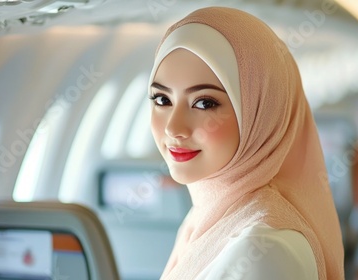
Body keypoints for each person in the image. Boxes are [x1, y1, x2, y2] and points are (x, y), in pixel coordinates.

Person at [148, 6, 345, 280]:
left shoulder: (264, 250)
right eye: (162, 100)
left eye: (204, 103)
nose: (173, 128)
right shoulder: (207, 215)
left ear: (261, 112)